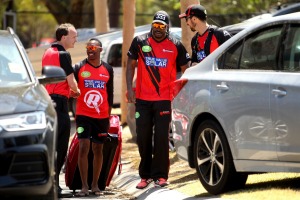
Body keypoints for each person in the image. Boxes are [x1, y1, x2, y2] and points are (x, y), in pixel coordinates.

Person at [126, 10, 190, 189]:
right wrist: (128, 89)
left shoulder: (176, 45)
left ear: (167, 27)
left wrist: (181, 93)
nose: (158, 29)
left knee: (161, 138)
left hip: (163, 99)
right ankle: (145, 176)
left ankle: (160, 176)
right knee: (143, 137)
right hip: (142, 100)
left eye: (162, 26)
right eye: (155, 25)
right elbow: (130, 66)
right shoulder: (140, 42)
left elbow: (186, 69)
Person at [41, 23, 80, 198]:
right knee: (61, 147)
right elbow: (71, 82)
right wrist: (77, 91)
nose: (75, 40)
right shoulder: (64, 54)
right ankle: (56, 186)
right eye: (73, 36)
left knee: (50, 146)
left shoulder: (47, 53)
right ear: (63, 37)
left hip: (48, 104)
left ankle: (49, 184)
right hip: (60, 105)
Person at [73, 38, 114, 197]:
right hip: (83, 115)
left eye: (93, 47)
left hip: (102, 116)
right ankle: (84, 186)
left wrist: (108, 115)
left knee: (98, 149)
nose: (90, 50)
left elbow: (109, 94)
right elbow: (72, 90)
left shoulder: (108, 69)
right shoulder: (79, 67)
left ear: (100, 50)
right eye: (87, 47)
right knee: (84, 146)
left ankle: (95, 185)